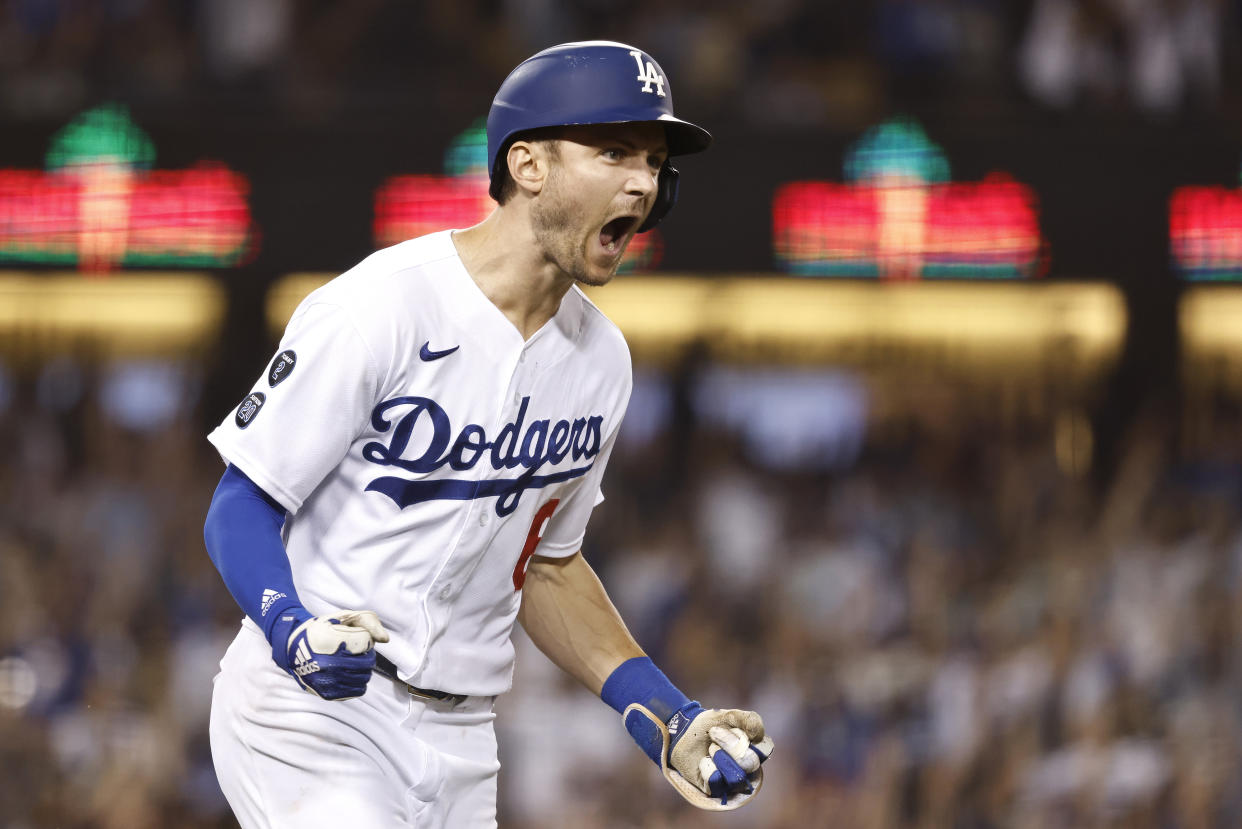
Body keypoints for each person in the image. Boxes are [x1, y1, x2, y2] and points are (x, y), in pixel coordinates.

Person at [202, 40, 774, 828]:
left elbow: (547, 566)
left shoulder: (600, 361)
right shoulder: (382, 306)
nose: (643, 180)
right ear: (529, 165)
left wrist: (668, 714)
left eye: (652, 161)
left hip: (464, 740)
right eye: (614, 151)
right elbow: (243, 500)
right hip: (311, 713)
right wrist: (290, 625)